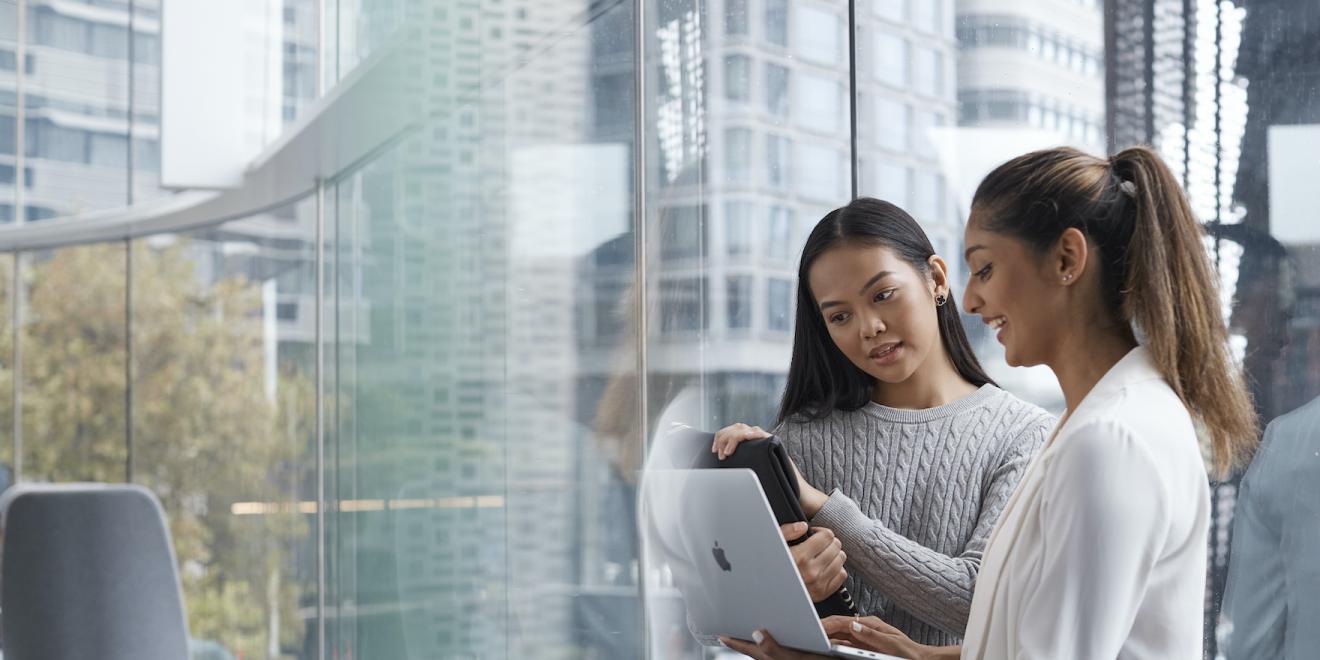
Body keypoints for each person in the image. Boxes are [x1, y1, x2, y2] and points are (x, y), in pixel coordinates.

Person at [723, 145, 1258, 660]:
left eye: (984, 269)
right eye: (838, 315)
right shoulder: (1106, 421)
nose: (973, 299)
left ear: (1068, 259)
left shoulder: (1106, 439)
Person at [712, 198, 1054, 646]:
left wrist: (824, 509)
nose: (868, 327)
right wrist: (770, 587)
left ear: (936, 278)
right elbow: (710, 623)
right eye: (839, 316)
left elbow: (983, 604)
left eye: (882, 295)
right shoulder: (798, 439)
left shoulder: (1026, 436)